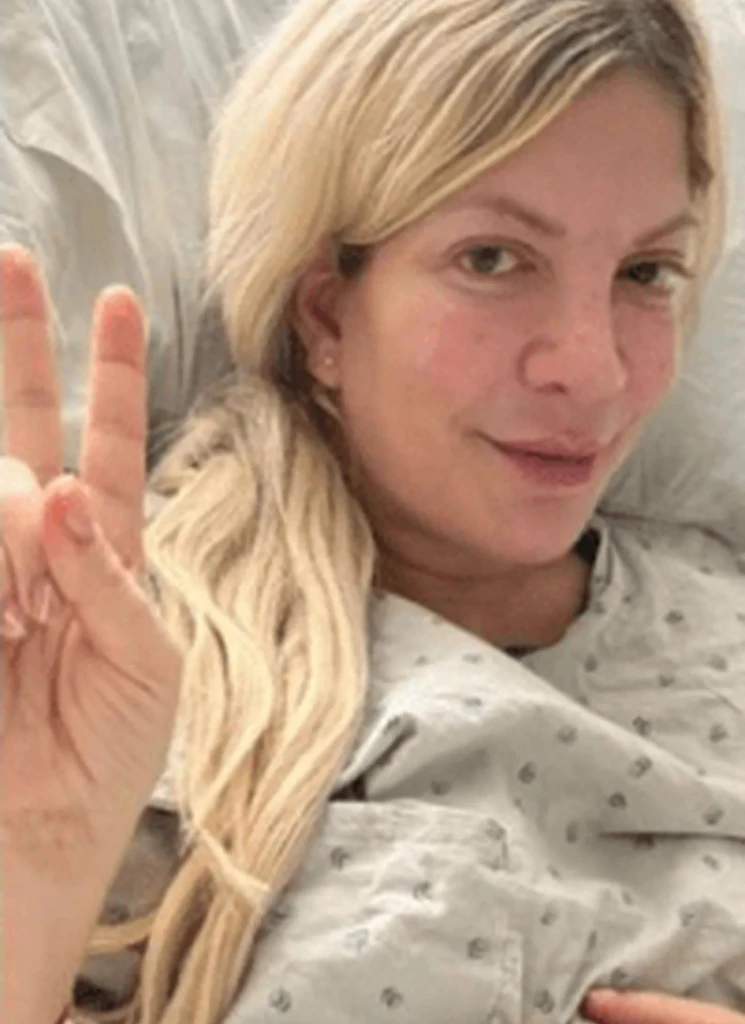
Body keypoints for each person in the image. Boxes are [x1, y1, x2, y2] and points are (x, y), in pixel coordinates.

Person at [2, 0, 745, 1021]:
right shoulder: (106, 660)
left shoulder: (717, 629)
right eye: (492, 259)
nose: (593, 369)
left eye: (643, 273)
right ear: (326, 311)